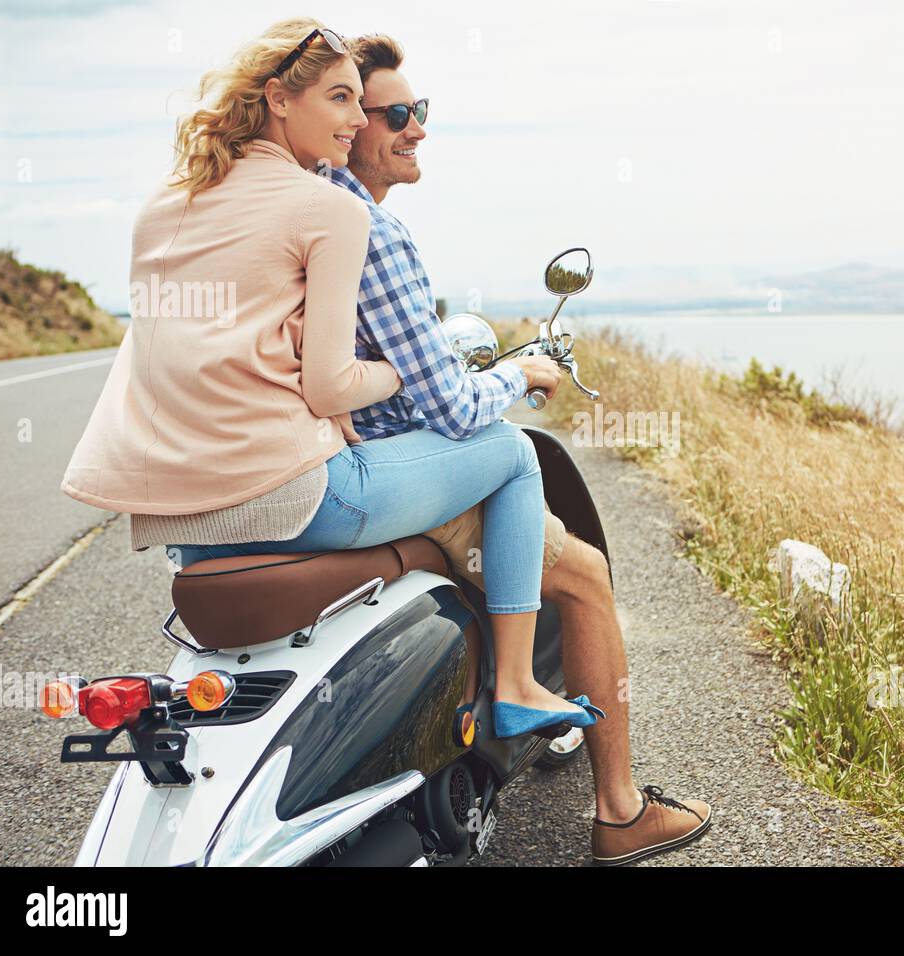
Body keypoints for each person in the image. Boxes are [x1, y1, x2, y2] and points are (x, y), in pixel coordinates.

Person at [58, 17, 599, 740]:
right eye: (342, 99)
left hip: (179, 522)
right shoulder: (332, 209)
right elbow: (330, 388)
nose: (354, 119)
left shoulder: (165, 207)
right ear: (280, 99)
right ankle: (522, 685)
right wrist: (395, 370)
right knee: (511, 453)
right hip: (295, 499)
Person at [332, 33, 713, 865]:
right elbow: (449, 406)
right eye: (396, 113)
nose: (417, 127)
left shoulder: (302, 215)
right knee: (584, 572)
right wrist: (521, 373)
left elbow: (376, 362)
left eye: (420, 111)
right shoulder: (369, 232)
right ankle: (617, 808)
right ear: (341, 121)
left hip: (331, 455)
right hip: (397, 468)